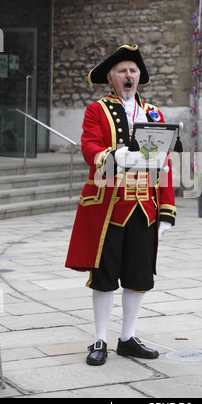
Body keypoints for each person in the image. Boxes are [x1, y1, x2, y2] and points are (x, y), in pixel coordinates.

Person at [65, 45, 176, 366]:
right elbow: (90, 147)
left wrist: (166, 211)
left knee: (138, 276)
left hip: (145, 207)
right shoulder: (96, 110)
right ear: (111, 78)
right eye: (123, 71)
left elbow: (164, 163)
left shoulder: (154, 114)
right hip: (108, 207)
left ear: (140, 77)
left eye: (133, 71)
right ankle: (99, 338)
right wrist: (114, 157)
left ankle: (127, 338)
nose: (129, 76)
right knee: (105, 275)